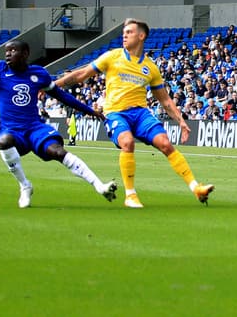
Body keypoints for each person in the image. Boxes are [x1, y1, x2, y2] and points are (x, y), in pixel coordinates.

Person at [55, 18, 213, 208]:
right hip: (115, 113)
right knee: (127, 142)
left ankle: (196, 188)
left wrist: (181, 121)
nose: (125, 35)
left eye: (129, 32)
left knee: (165, 143)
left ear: (141, 35)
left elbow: (164, 100)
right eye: (124, 32)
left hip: (140, 114)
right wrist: (52, 85)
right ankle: (130, 195)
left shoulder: (151, 67)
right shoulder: (112, 56)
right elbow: (82, 74)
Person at [0, 30, 115, 208]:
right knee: (4, 141)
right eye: (6, 51)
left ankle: (99, 186)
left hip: (35, 128)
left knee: (57, 151)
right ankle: (25, 185)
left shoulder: (39, 74)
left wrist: (89, 110)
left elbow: (61, 96)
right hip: (12, 130)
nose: (8, 54)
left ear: (25, 54)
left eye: (13, 51)